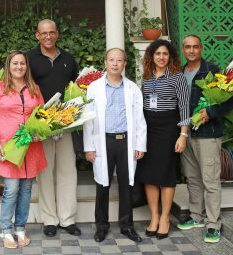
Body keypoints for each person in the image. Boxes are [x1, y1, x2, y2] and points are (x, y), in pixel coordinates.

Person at [177, 35, 233, 243]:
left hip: (208, 134)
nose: (192, 50)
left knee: (210, 180)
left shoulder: (213, 71)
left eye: (195, 47)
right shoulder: (180, 73)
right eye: (188, 47)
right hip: (187, 133)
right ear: (183, 49)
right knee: (192, 177)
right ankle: (196, 216)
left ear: (201, 49)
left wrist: (210, 113)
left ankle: (213, 223)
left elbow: (231, 98)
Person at [83, 48, 147, 243]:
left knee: (127, 185)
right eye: (111, 59)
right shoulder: (94, 87)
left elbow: (139, 118)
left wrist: (140, 145)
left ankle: (127, 226)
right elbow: (88, 119)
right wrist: (89, 147)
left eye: (119, 60)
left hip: (126, 141)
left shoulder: (132, 88)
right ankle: (101, 226)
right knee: (102, 184)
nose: (115, 63)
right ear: (105, 62)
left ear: (124, 64)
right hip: (103, 142)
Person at [0, 50, 47, 249]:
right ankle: (5, 230)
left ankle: (20, 228)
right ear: (8, 66)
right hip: (9, 148)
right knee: (11, 190)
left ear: (26, 66)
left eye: (22, 63)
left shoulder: (34, 89)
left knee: (26, 190)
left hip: (31, 148)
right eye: (15, 63)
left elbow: (43, 116)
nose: (19, 67)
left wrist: (41, 133)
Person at [27, 19, 80, 237]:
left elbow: (77, 87)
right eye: (43, 33)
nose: (48, 36)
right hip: (41, 125)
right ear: (37, 36)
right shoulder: (29, 59)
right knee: (45, 173)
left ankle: (67, 219)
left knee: (68, 171)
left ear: (57, 34)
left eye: (51, 32)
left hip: (65, 124)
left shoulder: (68, 58)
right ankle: (49, 219)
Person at [135, 39, 190, 240]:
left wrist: (183, 135)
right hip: (148, 128)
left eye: (165, 54)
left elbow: (184, 108)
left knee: (166, 174)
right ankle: (155, 217)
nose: (161, 57)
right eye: (157, 53)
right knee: (149, 174)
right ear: (151, 56)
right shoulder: (147, 77)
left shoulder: (178, 78)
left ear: (171, 57)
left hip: (169, 129)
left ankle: (166, 218)